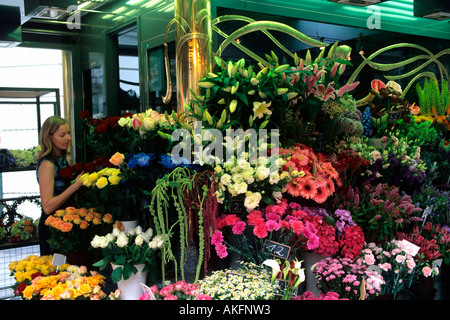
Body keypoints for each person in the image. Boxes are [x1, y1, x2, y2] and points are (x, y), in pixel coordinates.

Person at [36, 115, 83, 255]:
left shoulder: (60, 160)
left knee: (68, 272)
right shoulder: (47, 165)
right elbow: (48, 206)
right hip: (53, 232)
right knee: (57, 271)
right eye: (62, 135)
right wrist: (75, 186)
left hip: (63, 226)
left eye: (68, 133)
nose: (68, 138)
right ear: (49, 137)